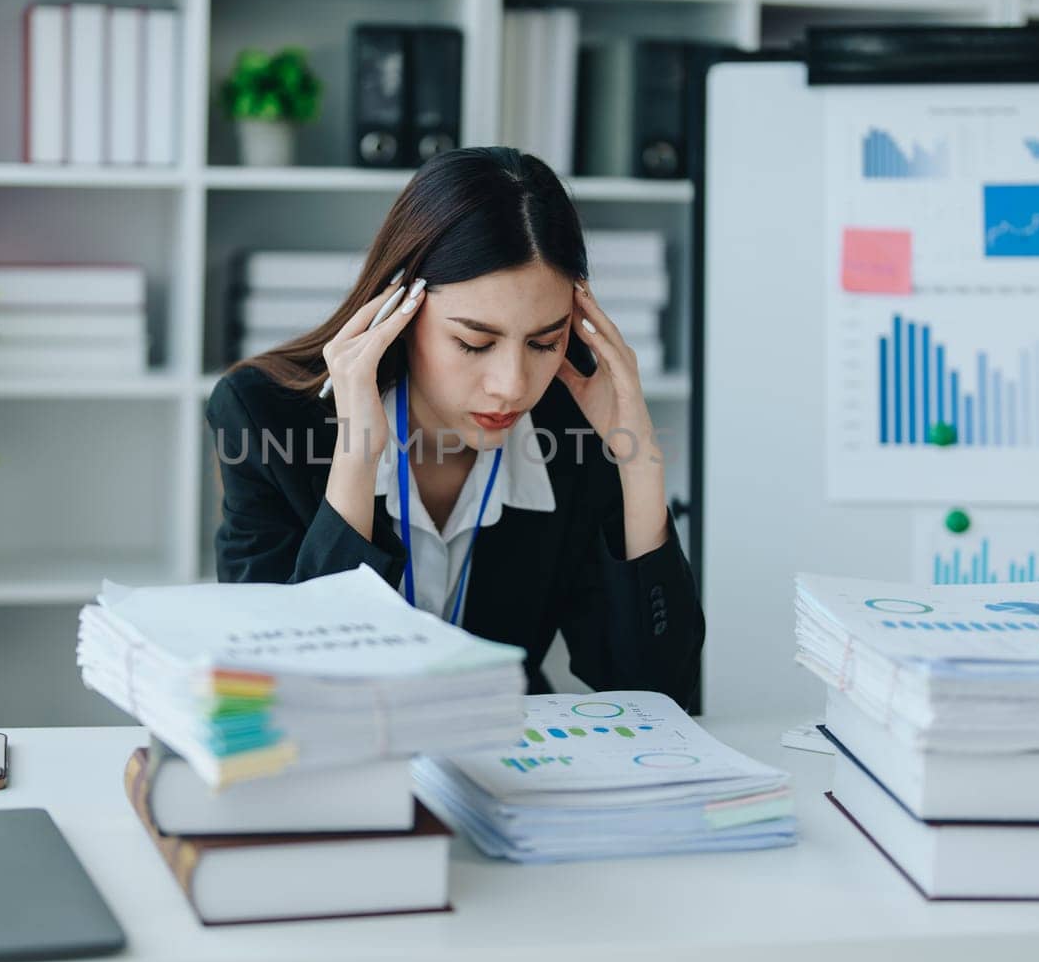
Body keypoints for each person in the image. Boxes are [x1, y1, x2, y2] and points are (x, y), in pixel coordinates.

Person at [206, 146, 703, 709]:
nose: (512, 385)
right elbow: (281, 689)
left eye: (544, 342)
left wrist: (638, 467)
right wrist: (356, 458)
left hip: (503, 761)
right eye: (474, 342)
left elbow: (659, 696)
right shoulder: (263, 417)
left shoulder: (577, 423)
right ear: (400, 310)